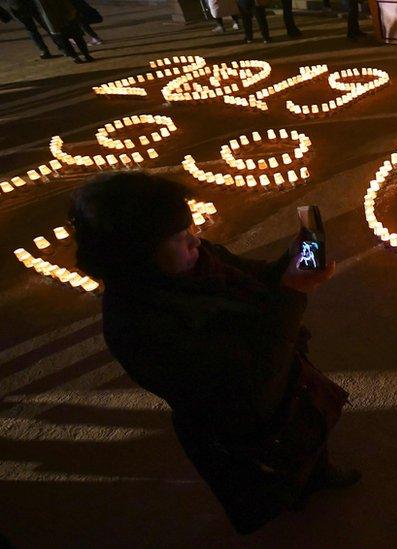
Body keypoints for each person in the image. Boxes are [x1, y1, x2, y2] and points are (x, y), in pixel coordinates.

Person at [70, 173, 359, 535]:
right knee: (279, 465)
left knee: (309, 431)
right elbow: (250, 382)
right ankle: (295, 497)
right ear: (137, 256)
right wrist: (291, 294)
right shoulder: (137, 327)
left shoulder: (201, 259)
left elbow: (258, 281)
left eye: (190, 228)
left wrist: (293, 260)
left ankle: (319, 472)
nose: (195, 239)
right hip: (240, 415)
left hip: (282, 372)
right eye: (178, 237)